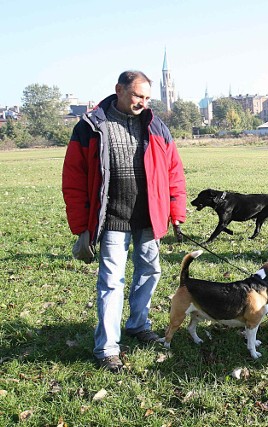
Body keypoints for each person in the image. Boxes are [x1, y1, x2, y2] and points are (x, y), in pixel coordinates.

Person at [62, 70, 187, 372]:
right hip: (113, 219)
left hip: (149, 219)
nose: (143, 103)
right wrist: (81, 227)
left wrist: (176, 212)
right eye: (137, 96)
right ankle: (107, 348)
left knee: (150, 272)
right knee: (111, 282)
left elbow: (174, 173)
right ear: (119, 90)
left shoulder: (157, 126)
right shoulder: (90, 127)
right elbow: (74, 180)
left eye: (147, 98)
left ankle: (138, 324)